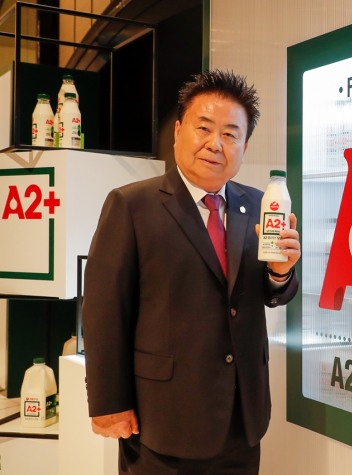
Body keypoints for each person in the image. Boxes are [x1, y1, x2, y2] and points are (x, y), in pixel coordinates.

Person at [82, 69, 301, 474]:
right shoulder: (132, 205)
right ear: (179, 131)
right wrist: (109, 402)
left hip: (242, 415)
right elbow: (104, 310)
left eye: (231, 134)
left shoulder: (260, 205)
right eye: (204, 128)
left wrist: (281, 273)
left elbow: (269, 294)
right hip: (162, 418)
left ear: (244, 146)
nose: (216, 144)